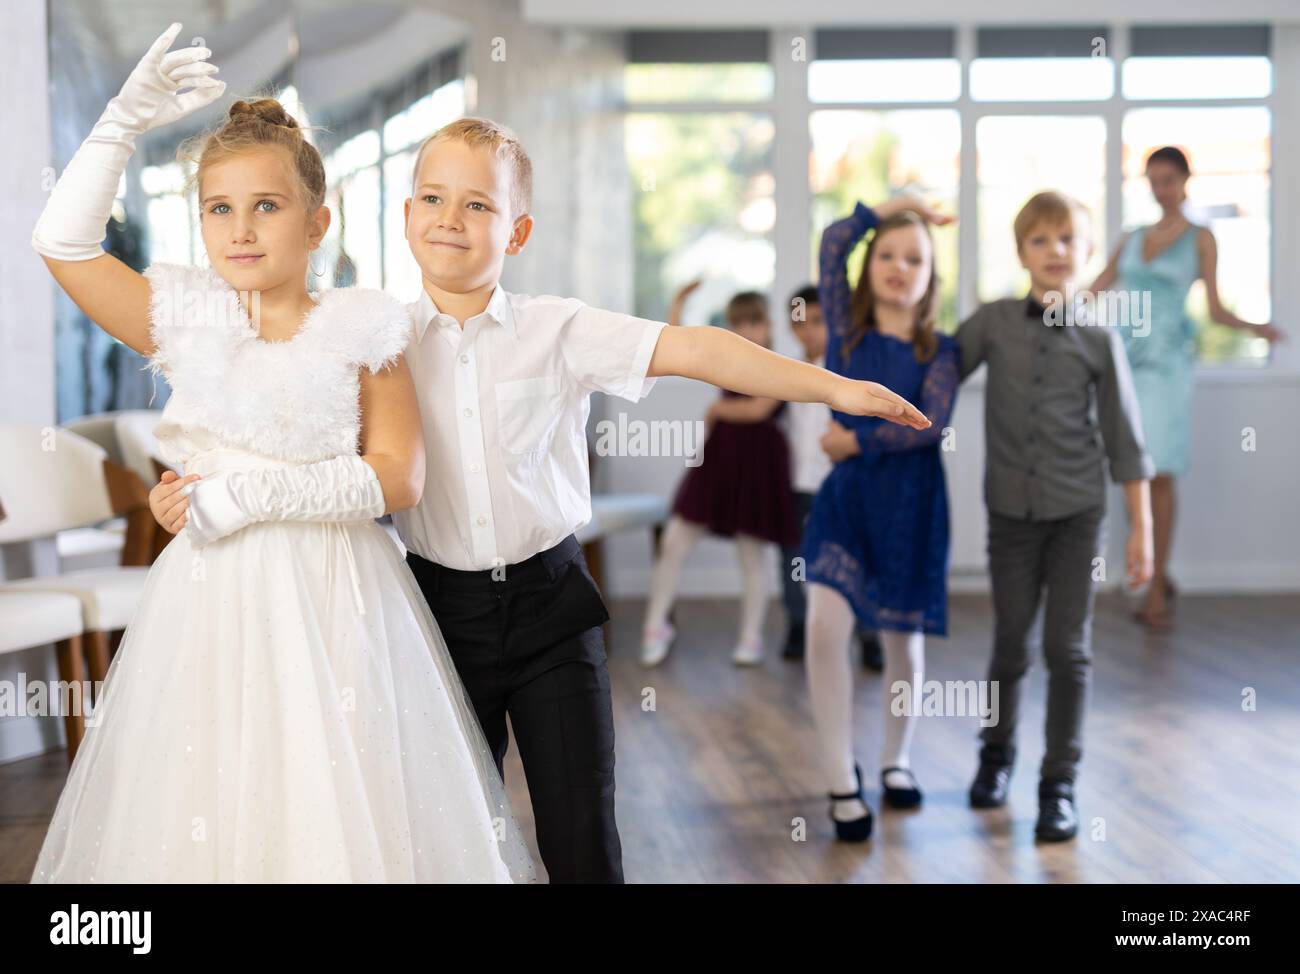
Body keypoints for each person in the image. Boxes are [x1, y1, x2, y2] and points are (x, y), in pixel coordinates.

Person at [154, 114, 932, 882]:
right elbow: (275, 417)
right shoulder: (370, 338)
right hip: (432, 617)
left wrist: (832, 387)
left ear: (516, 233)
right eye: (432, 199)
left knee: (582, 833)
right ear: (405, 216)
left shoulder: (558, 329)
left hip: (551, 609)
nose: (450, 219)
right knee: (453, 838)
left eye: (478, 205)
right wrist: (188, 489)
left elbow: (698, 350)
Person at [29, 24, 535, 882]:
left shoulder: (361, 328)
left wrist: (251, 495)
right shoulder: (182, 317)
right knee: (211, 787)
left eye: (266, 206)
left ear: (316, 219)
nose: (241, 230)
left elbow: (397, 475)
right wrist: (121, 122)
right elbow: (64, 244)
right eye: (218, 209)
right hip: (209, 591)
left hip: (334, 588)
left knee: (332, 788)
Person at [958, 191, 1154, 842]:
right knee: (1011, 644)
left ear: (1086, 253)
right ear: (1021, 252)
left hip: (1078, 514)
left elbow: (1127, 442)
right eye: (1040, 240)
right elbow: (932, 374)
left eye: (1067, 239)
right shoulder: (990, 324)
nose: (1054, 251)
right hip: (1010, 513)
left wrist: (1142, 536)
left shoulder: (1100, 337)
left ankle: (1058, 785)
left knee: (1066, 650)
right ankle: (995, 757)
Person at [802, 197, 959, 841]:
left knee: (903, 642)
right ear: (870, 269)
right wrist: (896, 208)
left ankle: (895, 762)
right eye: (888, 255)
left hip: (911, 505)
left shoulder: (942, 349)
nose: (899, 267)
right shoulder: (846, 330)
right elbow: (835, 242)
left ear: (930, 277)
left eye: (914, 258)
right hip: (848, 503)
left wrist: (856, 440)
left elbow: (930, 425)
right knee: (821, 627)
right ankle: (842, 776)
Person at [1091, 146, 1284, 630]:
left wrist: (1256, 329)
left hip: (1169, 366)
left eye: (1169, 180)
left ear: (1185, 181)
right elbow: (1097, 286)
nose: (1161, 189)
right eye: (1154, 180)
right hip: (1128, 363)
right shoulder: (1133, 237)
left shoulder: (1201, 238)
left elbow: (1215, 309)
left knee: (1161, 472)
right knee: (1132, 471)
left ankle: (1156, 586)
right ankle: (1146, 572)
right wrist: (1043, 312)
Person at [641, 285, 799, 668]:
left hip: (758, 462)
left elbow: (761, 409)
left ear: (768, 325)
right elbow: (680, 346)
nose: (746, 330)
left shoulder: (779, 363)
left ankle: (751, 637)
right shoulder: (723, 359)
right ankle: (655, 627)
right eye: (738, 322)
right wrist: (678, 302)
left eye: (754, 321)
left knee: (751, 551)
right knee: (676, 540)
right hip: (720, 459)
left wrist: (717, 412)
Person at [778, 284, 883, 670]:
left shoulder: (849, 372)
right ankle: (797, 624)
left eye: (819, 321)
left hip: (840, 484)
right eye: (801, 321)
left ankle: (868, 635)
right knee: (793, 558)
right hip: (796, 483)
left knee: (855, 559)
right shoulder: (781, 373)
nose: (810, 330)